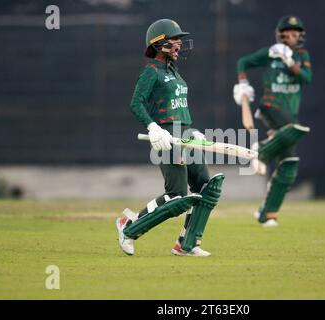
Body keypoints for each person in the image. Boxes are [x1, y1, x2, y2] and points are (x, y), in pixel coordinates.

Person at [115, 19, 225, 256]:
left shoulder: (174, 72)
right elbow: (136, 104)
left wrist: (191, 130)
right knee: (177, 196)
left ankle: (187, 244)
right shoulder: (151, 72)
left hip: (184, 136)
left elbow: (178, 107)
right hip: (166, 138)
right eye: (174, 40)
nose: (179, 44)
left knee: (207, 189)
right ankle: (129, 227)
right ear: (160, 43)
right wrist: (153, 127)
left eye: (179, 40)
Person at [233, 15, 313, 227]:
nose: (290, 37)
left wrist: (290, 62)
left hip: (289, 113)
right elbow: (243, 62)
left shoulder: (302, 55)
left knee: (289, 165)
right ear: (280, 35)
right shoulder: (269, 53)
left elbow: (307, 78)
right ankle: (261, 152)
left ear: (300, 36)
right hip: (270, 108)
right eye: (286, 33)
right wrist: (243, 84)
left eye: (295, 33)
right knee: (294, 130)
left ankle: (267, 214)